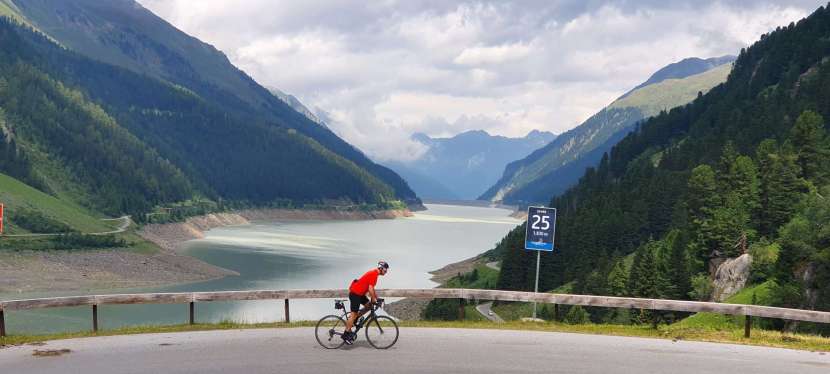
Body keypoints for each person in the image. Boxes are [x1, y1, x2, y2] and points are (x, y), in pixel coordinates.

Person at [343, 261, 389, 344]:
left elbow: (372, 289)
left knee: (369, 306)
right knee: (353, 314)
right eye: (385, 270)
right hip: (355, 294)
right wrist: (373, 299)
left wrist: (376, 298)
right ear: (381, 268)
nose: (386, 272)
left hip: (360, 294)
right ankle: (345, 335)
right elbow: (370, 289)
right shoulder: (374, 274)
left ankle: (355, 319)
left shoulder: (374, 274)